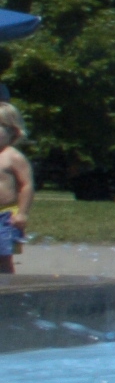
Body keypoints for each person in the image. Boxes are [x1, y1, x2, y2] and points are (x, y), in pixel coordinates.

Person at [0, 106, 31, 275]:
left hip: (6, 216)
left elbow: (26, 185)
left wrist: (22, 213)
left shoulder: (13, 157)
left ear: (13, 131)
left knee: (3, 257)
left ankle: (7, 286)